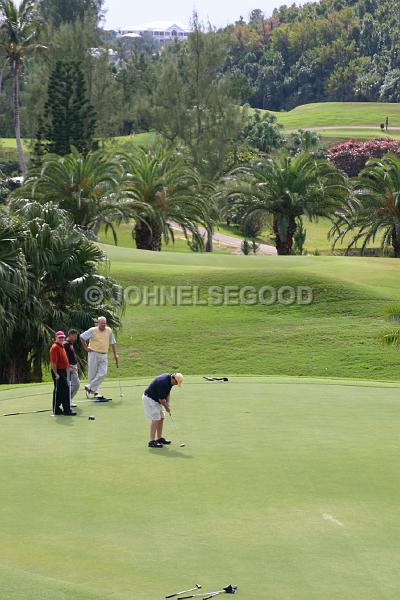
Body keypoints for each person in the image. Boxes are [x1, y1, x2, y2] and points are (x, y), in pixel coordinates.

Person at [80, 316, 118, 399]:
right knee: (92, 373)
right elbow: (82, 337)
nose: (103, 325)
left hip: (104, 354)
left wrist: (115, 354)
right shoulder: (93, 330)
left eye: (104, 323)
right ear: (98, 323)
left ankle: (89, 387)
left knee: (103, 373)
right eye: (101, 324)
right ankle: (95, 392)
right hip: (93, 353)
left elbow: (113, 342)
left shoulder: (109, 330)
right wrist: (86, 348)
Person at [142, 373, 183, 448]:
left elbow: (167, 393)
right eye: (176, 382)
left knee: (161, 417)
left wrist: (168, 403)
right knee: (155, 418)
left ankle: (159, 439)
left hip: (156, 400)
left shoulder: (170, 381)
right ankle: (152, 441)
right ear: (173, 378)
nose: (176, 384)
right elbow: (161, 399)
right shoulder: (163, 382)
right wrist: (166, 407)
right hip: (150, 399)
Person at [50, 331, 76, 416]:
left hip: (63, 371)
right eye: (59, 337)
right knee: (64, 390)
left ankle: (57, 409)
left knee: (60, 391)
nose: (61, 339)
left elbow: (64, 360)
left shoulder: (61, 346)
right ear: (56, 338)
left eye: (62, 337)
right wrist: (56, 373)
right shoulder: (55, 347)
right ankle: (66, 410)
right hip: (58, 371)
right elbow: (53, 363)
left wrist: (69, 368)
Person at [63, 329, 80, 408]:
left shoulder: (70, 344)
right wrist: (69, 367)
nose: (76, 338)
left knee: (75, 385)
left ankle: (68, 400)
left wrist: (76, 364)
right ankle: (67, 400)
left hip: (73, 366)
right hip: (69, 367)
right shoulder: (65, 344)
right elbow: (64, 357)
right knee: (74, 384)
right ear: (70, 335)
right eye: (75, 336)